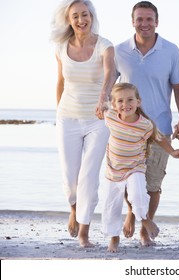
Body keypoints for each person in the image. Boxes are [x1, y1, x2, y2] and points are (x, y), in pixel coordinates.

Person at [115, 1, 179, 246]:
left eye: (149, 19)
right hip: (126, 131)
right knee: (127, 182)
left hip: (160, 129)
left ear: (157, 22)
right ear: (132, 21)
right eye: (140, 19)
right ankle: (132, 213)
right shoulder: (118, 51)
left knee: (153, 185)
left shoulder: (171, 50)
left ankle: (145, 226)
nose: (144, 24)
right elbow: (108, 88)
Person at [50, 0, 116, 247]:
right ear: (69, 20)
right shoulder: (60, 47)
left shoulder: (105, 46)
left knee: (88, 176)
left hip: (98, 120)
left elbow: (110, 73)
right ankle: (74, 208)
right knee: (70, 177)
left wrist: (103, 96)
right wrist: (59, 114)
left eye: (85, 15)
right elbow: (60, 82)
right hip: (67, 117)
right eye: (76, 16)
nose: (81, 20)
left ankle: (84, 232)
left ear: (92, 16)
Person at [101, 83, 179, 252]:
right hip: (114, 171)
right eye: (120, 101)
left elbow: (159, 138)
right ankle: (114, 238)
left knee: (138, 194)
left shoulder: (145, 125)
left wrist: (173, 152)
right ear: (114, 104)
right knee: (111, 206)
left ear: (138, 102)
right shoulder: (109, 116)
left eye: (130, 100)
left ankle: (144, 219)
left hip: (135, 168)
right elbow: (99, 104)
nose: (126, 104)